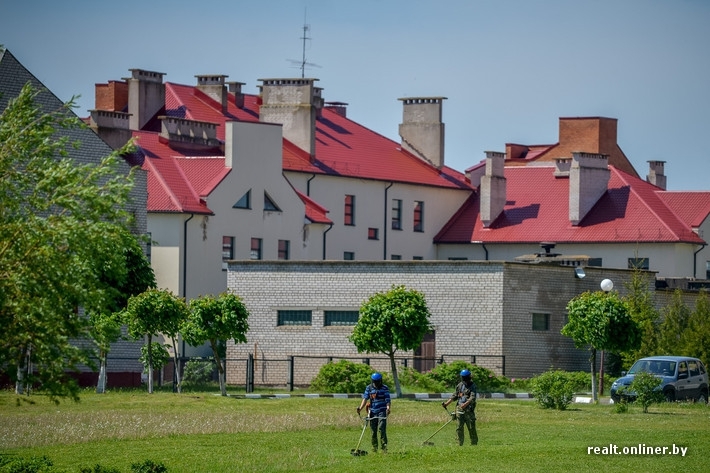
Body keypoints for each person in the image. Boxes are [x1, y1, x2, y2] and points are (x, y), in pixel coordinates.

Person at [442, 369, 478, 446]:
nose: (465, 379)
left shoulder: (472, 386)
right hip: (459, 409)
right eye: (463, 377)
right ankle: (459, 444)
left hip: (469, 410)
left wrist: (465, 404)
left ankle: (474, 443)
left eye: (466, 377)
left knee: (471, 428)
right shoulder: (460, 385)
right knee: (459, 428)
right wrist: (446, 404)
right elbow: (455, 396)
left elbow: (472, 398)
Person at [357, 372, 391, 453]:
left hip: (382, 412)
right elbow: (365, 399)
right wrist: (360, 408)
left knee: (381, 429)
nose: (377, 383)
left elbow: (388, 400)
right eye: (375, 382)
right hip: (372, 411)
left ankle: (384, 448)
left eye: (378, 381)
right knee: (373, 431)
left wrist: (388, 408)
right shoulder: (369, 388)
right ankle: (374, 448)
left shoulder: (384, 388)